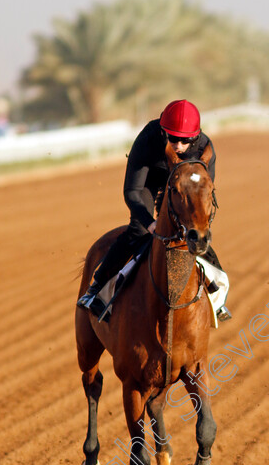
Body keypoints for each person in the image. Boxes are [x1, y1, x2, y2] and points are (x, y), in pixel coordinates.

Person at [77, 99, 231, 322]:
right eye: (172, 138)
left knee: (194, 235)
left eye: (184, 140)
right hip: (149, 181)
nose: (178, 144)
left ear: (195, 137)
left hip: (183, 183)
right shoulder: (148, 140)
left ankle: (217, 296)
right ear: (162, 132)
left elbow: (202, 197)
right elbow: (132, 191)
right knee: (138, 230)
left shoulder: (204, 148)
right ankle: (96, 287)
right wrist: (150, 222)